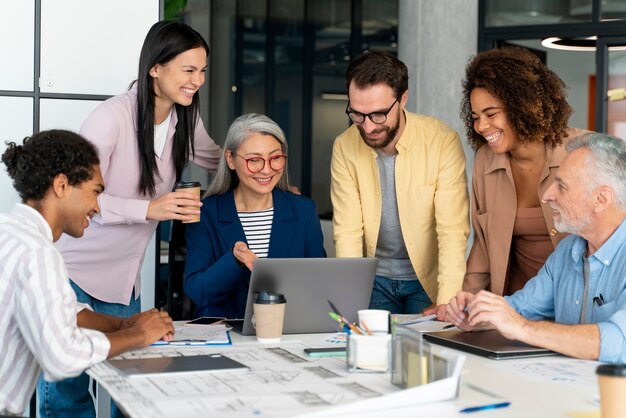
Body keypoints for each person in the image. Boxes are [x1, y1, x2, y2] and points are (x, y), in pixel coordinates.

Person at [40, 21, 221, 417]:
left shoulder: (185, 121)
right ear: (155, 67)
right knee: (67, 396)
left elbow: (219, 159)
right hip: (72, 273)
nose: (198, 81)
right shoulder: (111, 117)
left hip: (123, 283)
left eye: (203, 71)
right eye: (189, 70)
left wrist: (260, 165)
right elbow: (76, 196)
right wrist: (150, 209)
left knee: (131, 390)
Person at [0, 130, 175, 415]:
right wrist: (138, 336)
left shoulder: (9, 231)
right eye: (95, 191)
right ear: (61, 185)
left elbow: (66, 312)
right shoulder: (39, 254)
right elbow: (61, 357)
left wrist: (125, 324)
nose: (97, 207)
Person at [447, 133, 626, 363]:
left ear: (601, 199)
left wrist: (522, 327)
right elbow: (520, 308)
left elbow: (621, 342)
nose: (547, 195)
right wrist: (478, 313)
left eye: (562, 186)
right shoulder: (567, 251)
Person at [330, 51, 469, 316]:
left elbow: (452, 229)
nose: (368, 127)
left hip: (426, 280)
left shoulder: (442, 142)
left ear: (403, 99)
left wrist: (447, 299)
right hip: (374, 280)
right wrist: (349, 295)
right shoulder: (345, 146)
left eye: (378, 115)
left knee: (424, 353)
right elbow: (347, 231)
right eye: (357, 115)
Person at [461, 47, 587, 297]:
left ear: (523, 106)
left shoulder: (584, 152)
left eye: (491, 114)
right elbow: (484, 245)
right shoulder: (486, 160)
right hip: (516, 304)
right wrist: (463, 298)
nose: (481, 127)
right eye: (476, 117)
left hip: (574, 303)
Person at [184, 114, 326, 318]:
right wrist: (233, 261)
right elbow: (198, 292)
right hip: (227, 332)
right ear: (230, 159)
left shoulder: (303, 211)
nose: (267, 170)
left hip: (288, 330)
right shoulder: (206, 213)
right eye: (254, 160)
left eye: (275, 158)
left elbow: (319, 283)